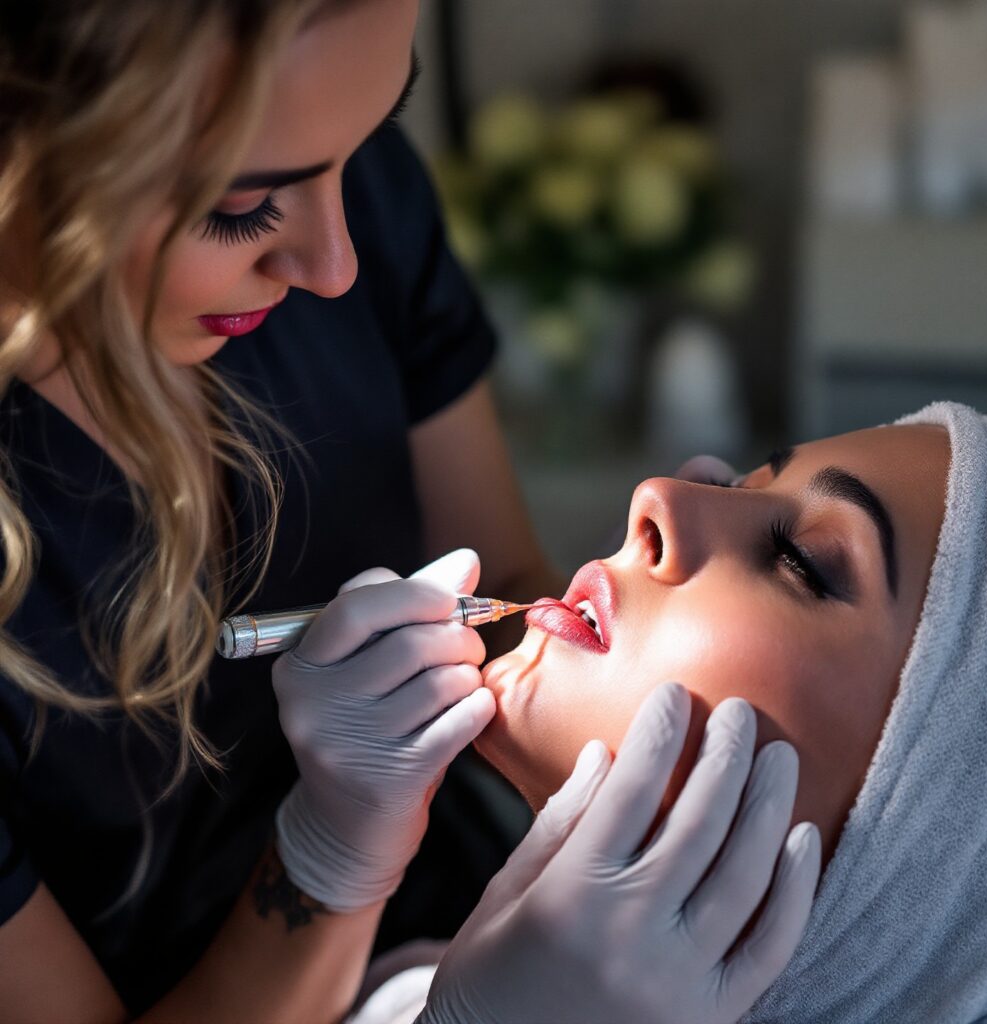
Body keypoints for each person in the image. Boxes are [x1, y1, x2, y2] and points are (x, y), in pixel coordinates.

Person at [0, 2, 819, 1022]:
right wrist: (329, 860)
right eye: (242, 207)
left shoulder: (357, 202)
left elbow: (518, 601)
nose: (337, 266)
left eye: (369, 138)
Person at [418, 402, 987, 1024]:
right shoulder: (434, 971)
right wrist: (328, 874)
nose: (657, 496)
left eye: (800, 562)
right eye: (736, 482)